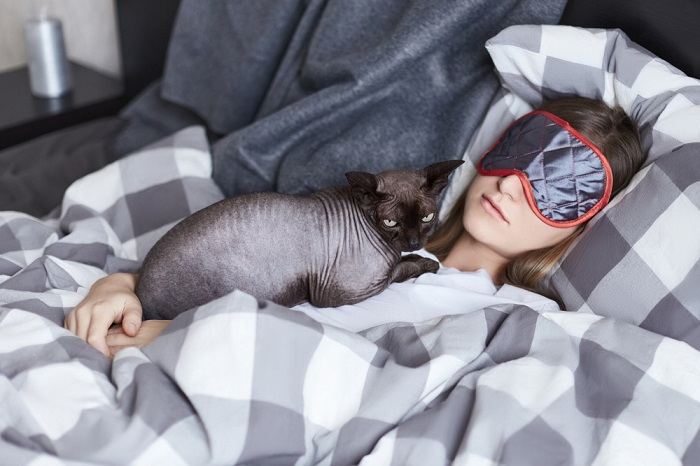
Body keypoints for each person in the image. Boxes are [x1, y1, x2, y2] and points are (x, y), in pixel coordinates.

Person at [64, 96, 645, 358]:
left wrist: (168, 337)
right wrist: (121, 286)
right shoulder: (367, 223)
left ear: (577, 229)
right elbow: (257, 249)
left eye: (562, 187)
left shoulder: (517, 322)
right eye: (523, 151)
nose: (515, 185)